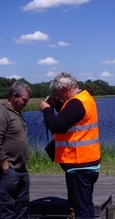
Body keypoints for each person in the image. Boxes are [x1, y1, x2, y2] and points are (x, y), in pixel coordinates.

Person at [39, 72, 101, 219]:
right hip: (87, 163)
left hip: (79, 164)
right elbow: (71, 116)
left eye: (58, 93)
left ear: (66, 89)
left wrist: (47, 109)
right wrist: (58, 105)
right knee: (86, 205)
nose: (58, 96)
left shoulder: (76, 103)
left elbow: (56, 125)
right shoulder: (84, 98)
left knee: (80, 211)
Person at [0, 81, 31, 219]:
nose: (26, 103)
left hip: (21, 168)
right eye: (24, 100)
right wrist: (5, 167)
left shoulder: (16, 112)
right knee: (7, 207)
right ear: (14, 96)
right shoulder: (1, 114)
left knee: (22, 206)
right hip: (8, 169)